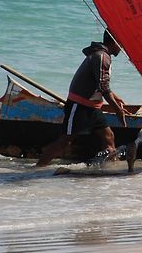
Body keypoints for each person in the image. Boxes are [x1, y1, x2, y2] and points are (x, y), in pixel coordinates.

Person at [36, 29, 131, 169]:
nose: (122, 48)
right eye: (120, 44)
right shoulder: (101, 57)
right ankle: (38, 168)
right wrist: (118, 110)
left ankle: (110, 171)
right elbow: (104, 88)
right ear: (114, 42)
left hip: (93, 107)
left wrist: (116, 98)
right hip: (79, 106)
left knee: (109, 137)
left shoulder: (102, 56)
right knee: (65, 141)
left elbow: (101, 84)